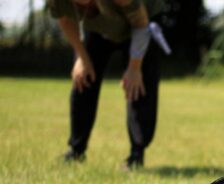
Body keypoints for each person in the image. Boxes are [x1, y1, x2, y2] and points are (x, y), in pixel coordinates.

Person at [48, 0, 166, 169]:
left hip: (140, 26)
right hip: (97, 29)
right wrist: (81, 56)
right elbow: (65, 19)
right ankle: (76, 150)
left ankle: (136, 154)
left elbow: (140, 23)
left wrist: (134, 68)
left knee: (138, 86)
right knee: (83, 78)